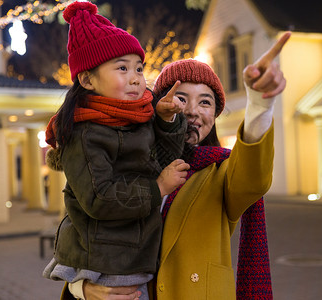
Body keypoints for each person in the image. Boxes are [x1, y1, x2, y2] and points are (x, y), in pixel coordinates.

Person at [73, 32, 291, 300]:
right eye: (180, 98)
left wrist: (259, 103)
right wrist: (81, 289)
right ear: (158, 105)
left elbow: (253, 178)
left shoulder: (221, 174)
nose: (191, 111)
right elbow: (79, 234)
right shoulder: (121, 163)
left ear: (214, 114)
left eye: (205, 102)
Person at [42, 2, 190, 300]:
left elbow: (164, 160)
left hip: (134, 254)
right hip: (105, 261)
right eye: (122, 68)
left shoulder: (137, 116)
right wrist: (158, 187)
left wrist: (165, 120)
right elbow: (99, 197)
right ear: (87, 79)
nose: (136, 77)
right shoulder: (83, 132)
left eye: (139, 68)